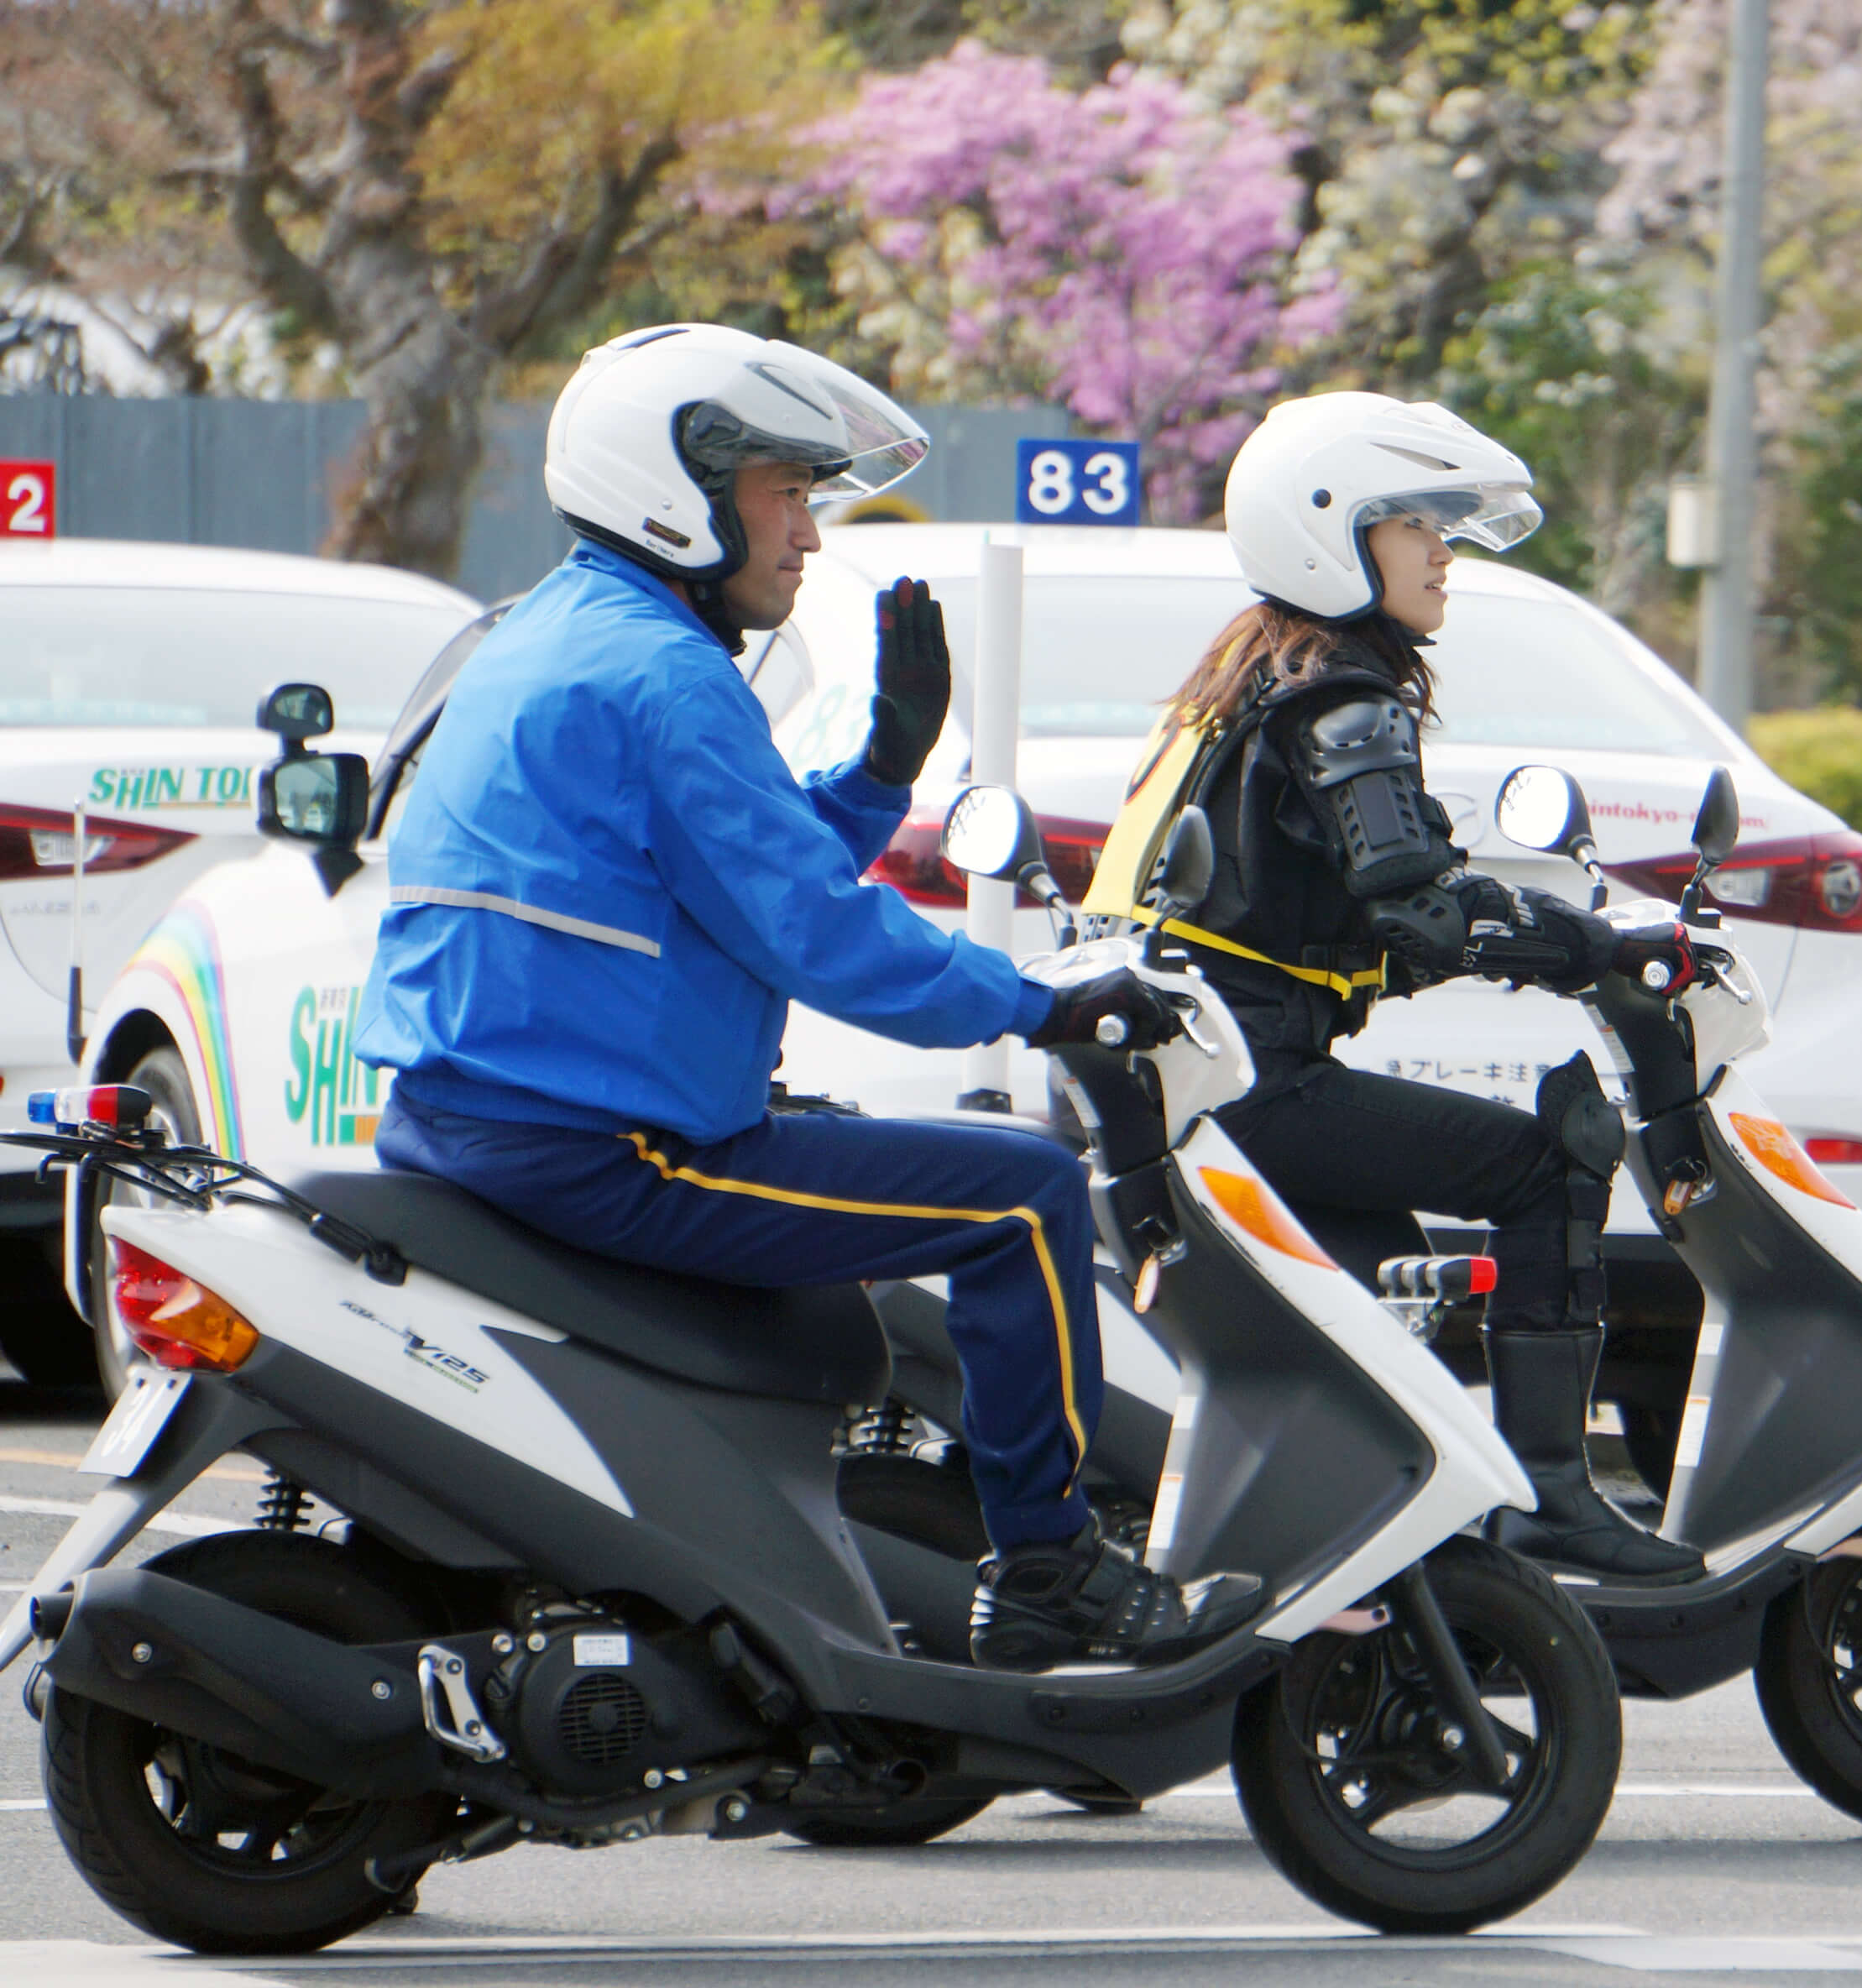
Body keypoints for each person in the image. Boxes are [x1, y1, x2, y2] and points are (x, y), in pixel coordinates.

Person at [354, 322, 1260, 1669]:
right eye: (785, 493)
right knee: (1024, 1198)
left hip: (498, 1119)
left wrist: (883, 767)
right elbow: (819, 938)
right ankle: (1052, 1572)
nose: (811, 535)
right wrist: (1043, 1006)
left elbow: (737, 887)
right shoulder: (661, 676)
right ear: (677, 490)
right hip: (610, 1149)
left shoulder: (563, 635)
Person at [1132, 390, 1703, 1583]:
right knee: (1551, 1157)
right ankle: (1548, 1494)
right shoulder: (1343, 695)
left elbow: (1337, 906)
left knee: (1391, 1291)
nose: (1444, 553)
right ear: (1330, 528)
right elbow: (1415, 900)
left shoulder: (1251, 678)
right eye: (1416, 524)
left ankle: (1404, 1546)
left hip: (1188, 1070)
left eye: (1445, 527)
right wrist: (1591, 950)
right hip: (1255, 1079)